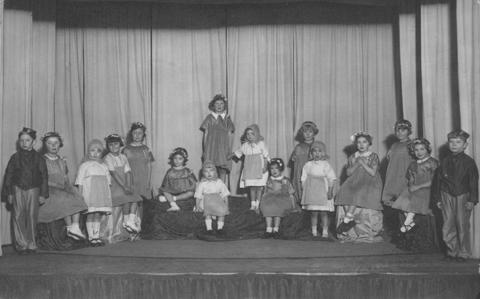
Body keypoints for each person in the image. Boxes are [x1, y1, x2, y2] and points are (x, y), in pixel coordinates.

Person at [433, 130, 478, 262]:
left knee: (462, 224)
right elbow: (438, 181)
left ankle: (463, 253)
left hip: (462, 195)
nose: (454, 145)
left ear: (465, 145)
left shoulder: (469, 162)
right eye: (451, 142)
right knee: (447, 225)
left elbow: (474, 182)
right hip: (446, 194)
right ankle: (452, 251)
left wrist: (472, 199)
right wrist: (437, 198)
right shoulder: (444, 161)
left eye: (458, 142)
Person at [1, 127, 48, 254]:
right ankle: (21, 245)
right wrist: (9, 193)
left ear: (33, 142)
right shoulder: (14, 157)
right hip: (17, 189)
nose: (24, 143)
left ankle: (32, 244)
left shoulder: (39, 158)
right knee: (18, 215)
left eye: (27, 140)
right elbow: (9, 175)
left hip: (34, 189)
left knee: (32, 216)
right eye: (21, 140)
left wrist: (43, 194)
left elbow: (44, 176)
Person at [38, 132, 87, 240]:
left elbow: (65, 179)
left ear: (60, 144)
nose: (53, 145)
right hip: (48, 190)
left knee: (76, 195)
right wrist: (58, 187)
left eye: (56, 143)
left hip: (61, 188)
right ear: (45, 145)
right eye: (50, 143)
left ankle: (75, 226)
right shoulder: (42, 160)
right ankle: (70, 227)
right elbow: (41, 180)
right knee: (64, 198)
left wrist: (71, 189)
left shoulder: (61, 161)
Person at [335, 132, 383, 242]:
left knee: (358, 193)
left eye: (364, 142)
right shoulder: (353, 156)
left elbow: (372, 173)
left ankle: (347, 219)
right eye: (359, 142)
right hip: (355, 180)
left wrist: (363, 163)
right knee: (344, 191)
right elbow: (348, 173)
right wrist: (357, 163)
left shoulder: (373, 156)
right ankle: (348, 219)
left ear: (369, 143)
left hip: (369, 182)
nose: (361, 145)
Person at [393, 138, 438, 233]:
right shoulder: (413, 164)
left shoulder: (432, 162)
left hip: (427, 188)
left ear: (427, 149)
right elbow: (411, 179)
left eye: (422, 149)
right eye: (416, 150)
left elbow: (434, 181)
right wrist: (411, 186)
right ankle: (410, 222)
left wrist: (418, 187)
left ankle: (407, 222)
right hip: (415, 188)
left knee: (415, 199)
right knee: (402, 201)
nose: (419, 152)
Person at [75, 139, 112, 246]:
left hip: (101, 195)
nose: (95, 153)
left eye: (98, 151)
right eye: (92, 150)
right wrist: (80, 196)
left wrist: (108, 197)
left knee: (98, 215)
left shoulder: (104, 166)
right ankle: (91, 237)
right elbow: (80, 182)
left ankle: (96, 237)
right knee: (90, 214)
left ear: (101, 153)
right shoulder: (84, 165)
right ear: (88, 152)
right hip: (89, 195)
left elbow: (108, 183)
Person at [104, 134, 143, 233]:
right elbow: (113, 174)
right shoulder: (108, 158)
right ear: (108, 146)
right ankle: (126, 220)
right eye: (111, 145)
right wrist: (124, 186)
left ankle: (129, 220)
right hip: (114, 185)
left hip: (124, 184)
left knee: (135, 196)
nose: (113, 147)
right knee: (125, 197)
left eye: (116, 144)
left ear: (120, 144)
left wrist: (129, 185)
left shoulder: (123, 157)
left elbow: (128, 172)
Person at [382, 120, 415, 237]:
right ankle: (408, 227)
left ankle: (409, 226)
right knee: (396, 204)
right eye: (398, 130)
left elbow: (414, 162)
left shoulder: (412, 144)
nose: (400, 133)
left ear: (409, 131)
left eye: (403, 130)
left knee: (404, 203)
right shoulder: (394, 145)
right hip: (393, 176)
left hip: (404, 176)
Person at [301, 141, 336, 238]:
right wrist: (305, 190)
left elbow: (331, 178)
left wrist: (330, 190)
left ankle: (325, 231)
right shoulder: (308, 165)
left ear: (323, 153)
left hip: (323, 191)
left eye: (319, 151)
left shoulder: (326, 165)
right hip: (312, 191)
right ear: (311, 154)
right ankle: (314, 231)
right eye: (314, 151)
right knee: (314, 213)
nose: (317, 154)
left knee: (323, 213)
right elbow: (303, 178)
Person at [232, 124, 270, 211]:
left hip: (260, 169)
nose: (250, 136)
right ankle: (253, 204)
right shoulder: (245, 145)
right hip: (250, 170)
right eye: (248, 134)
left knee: (259, 187)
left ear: (257, 134)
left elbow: (266, 156)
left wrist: (265, 167)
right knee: (252, 187)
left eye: (252, 134)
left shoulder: (261, 144)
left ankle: (258, 203)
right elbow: (238, 152)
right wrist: (230, 155)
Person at [200, 94, 235, 183]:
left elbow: (230, 135)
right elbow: (205, 135)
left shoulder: (227, 118)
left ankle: (222, 191)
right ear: (213, 105)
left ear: (225, 105)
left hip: (223, 148)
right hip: (211, 148)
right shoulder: (209, 118)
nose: (219, 106)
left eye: (221, 104)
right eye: (217, 104)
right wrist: (205, 150)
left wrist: (229, 150)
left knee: (223, 169)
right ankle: (211, 191)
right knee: (210, 169)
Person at [260, 158, 296, 239]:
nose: (274, 170)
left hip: (282, 198)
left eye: (276, 168)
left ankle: (276, 229)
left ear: (281, 169)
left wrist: (293, 205)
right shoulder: (268, 180)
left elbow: (291, 193)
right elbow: (265, 191)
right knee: (267, 207)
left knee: (278, 208)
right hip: (269, 197)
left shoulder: (285, 180)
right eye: (272, 169)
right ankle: (268, 229)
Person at [194, 161, 230, 235]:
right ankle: (209, 228)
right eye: (206, 172)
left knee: (222, 213)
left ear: (215, 172)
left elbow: (225, 194)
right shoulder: (202, 184)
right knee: (208, 213)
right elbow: (198, 196)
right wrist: (197, 206)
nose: (209, 173)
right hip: (206, 201)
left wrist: (226, 205)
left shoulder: (219, 182)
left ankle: (220, 228)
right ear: (203, 174)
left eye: (211, 171)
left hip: (217, 200)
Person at [158, 147, 197, 212]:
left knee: (191, 193)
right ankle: (173, 205)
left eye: (180, 159)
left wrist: (191, 187)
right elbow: (165, 185)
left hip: (184, 192)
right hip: (173, 191)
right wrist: (167, 190)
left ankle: (173, 198)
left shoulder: (187, 171)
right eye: (175, 158)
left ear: (184, 160)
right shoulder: (170, 171)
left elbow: (193, 184)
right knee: (165, 191)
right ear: (172, 159)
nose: (177, 161)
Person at [289, 121, 320, 203]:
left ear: (314, 133)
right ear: (302, 133)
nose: (308, 134)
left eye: (310, 132)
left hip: (314, 171)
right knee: (301, 185)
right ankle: (301, 201)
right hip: (301, 171)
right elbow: (294, 163)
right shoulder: (299, 147)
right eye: (305, 132)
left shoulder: (318, 146)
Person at [123, 122, 155, 200]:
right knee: (132, 201)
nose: (137, 135)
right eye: (135, 133)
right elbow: (122, 167)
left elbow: (149, 166)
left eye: (140, 133)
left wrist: (148, 182)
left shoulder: (146, 149)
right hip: (131, 180)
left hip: (143, 180)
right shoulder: (126, 149)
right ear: (131, 134)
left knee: (143, 202)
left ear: (143, 135)